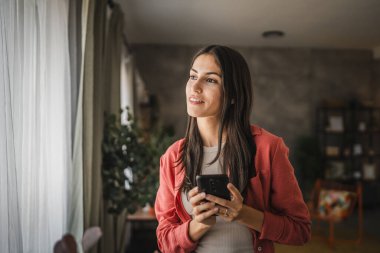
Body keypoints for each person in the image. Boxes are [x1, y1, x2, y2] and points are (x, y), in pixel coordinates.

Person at [154, 45, 311, 253]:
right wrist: (198, 224)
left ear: (234, 94)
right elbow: (164, 241)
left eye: (210, 80)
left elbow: (300, 231)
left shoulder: (268, 149)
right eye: (193, 77)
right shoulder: (173, 156)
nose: (195, 87)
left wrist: (244, 214)